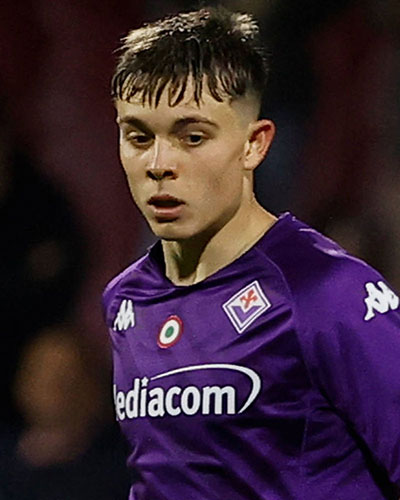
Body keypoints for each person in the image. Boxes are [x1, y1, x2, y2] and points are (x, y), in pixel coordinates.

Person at [102, 7, 400, 499]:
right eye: (138, 137)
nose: (159, 165)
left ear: (254, 145)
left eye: (192, 137)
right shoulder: (125, 301)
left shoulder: (327, 292)